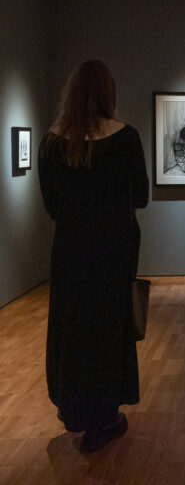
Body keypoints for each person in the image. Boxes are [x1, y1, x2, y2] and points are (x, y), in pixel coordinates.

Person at [38, 59, 149, 452]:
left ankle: (75, 408)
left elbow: (51, 205)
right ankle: (105, 414)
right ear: (108, 93)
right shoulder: (126, 138)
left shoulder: (52, 142)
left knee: (73, 328)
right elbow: (142, 196)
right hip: (114, 251)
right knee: (108, 328)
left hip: (70, 251)